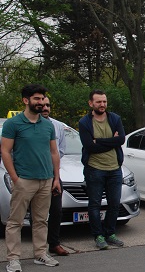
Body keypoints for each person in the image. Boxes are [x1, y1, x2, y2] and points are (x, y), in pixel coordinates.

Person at [2, 84, 61, 272]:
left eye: (42, 98)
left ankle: (40, 254)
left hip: (46, 180)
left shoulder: (48, 125)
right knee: (15, 221)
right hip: (24, 180)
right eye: (37, 98)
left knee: (41, 220)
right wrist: (15, 178)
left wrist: (56, 178)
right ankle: (13, 259)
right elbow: (5, 151)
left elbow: (54, 152)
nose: (41, 102)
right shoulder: (13, 124)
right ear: (25, 100)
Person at [79, 89, 126, 250]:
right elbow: (89, 146)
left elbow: (121, 139)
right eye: (98, 102)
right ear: (91, 103)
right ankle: (98, 236)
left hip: (114, 168)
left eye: (104, 101)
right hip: (94, 169)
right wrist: (111, 141)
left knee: (114, 203)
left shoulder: (115, 118)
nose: (102, 104)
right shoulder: (84, 122)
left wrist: (98, 141)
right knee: (95, 204)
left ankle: (110, 233)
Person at [41, 96, 69, 256]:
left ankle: (54, 243)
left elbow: (61, 150)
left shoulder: (58, 126)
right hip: (32, 175)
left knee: (56, 210)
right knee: (36, 213)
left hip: (52, 174)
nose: (45, 108)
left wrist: (52, 167)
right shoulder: (25, 124)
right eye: (43, 105)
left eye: (48, 105)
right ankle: (38, 247)